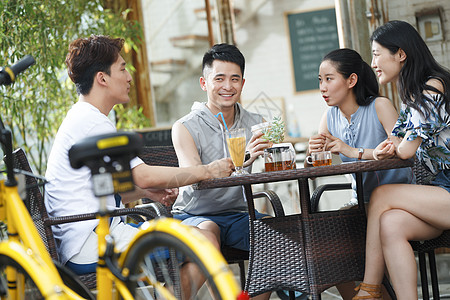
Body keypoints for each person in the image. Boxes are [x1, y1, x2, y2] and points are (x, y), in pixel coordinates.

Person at [44, 35, 233, 275]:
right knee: (204, 242)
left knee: (207, 233)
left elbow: (102, 189)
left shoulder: (84, 117)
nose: (129, 77)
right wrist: (208, 170)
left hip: (89, 238)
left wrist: (144, 193)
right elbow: (144, 176)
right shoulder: (92, 122)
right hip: (93, 244)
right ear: (102, 78)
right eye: (122, 69)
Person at [352, 20, 450, 300]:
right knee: (391, 223)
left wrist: (395, 144)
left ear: (401, 54)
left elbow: (405, 150)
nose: (373, 63)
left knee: (381, 194)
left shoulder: (434, 87)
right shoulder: (412, 97)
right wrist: (353, 149)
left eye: (376, 53)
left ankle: (369, 290)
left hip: (447, 190)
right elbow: (397, 142)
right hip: (441, 192)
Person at [307, 48, 414, 299]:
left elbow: (397, 151)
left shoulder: (381, 106)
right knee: (325, 240)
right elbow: (315, 167)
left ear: (351, 80)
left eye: (329, 79)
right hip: (361, 204)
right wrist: (312, 155)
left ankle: (369, 291)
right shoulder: (329, 116)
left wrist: (349, 150)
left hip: (399, 201)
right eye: (320, 80)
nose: (323, 87)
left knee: (346, 231)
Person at [171, 43, 272, 300]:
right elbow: (195, 178)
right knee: (209, 239)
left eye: (234, 79)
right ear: (204, 83)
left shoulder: (257, 123)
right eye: (219, 79)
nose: (228, 86)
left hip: (239, 214)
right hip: (195, 214)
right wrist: (244, 158)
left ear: (243, 82)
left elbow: (274, 165)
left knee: (276, 239)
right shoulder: (184, 127)